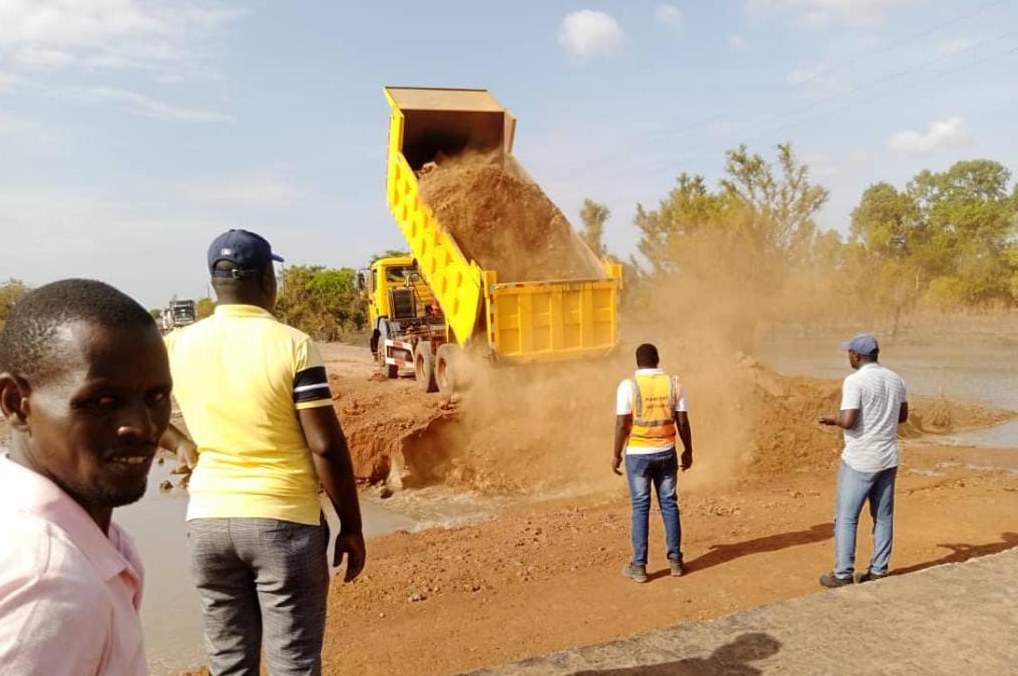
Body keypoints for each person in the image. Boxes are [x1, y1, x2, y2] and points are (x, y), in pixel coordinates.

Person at [160, 229, 365, 675]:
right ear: (267, 281)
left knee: (229, 665)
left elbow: (132, 411)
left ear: (216, 284)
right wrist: (351, 525)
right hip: (283, 521)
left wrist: (180, 443)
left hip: (207, 523)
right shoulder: (292, 343)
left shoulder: (176, 345)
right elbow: (325, 445)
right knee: (293, 662)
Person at [0, 279, 172, 674]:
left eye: (156, 397)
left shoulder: (86, 539)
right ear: (16, 405)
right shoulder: (50, 587)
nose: (142, 427)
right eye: (102, 401)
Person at [817, 333, 908, 588]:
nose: (848, 356)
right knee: (883, 516)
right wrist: (881, 419)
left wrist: (831, 419)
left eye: (849, 353)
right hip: (888, 459)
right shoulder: (896, 379)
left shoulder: (855, 382)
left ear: (856, 356)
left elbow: (848, 421)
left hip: (859, 459)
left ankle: (843, 574)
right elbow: (902, 416)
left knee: (846, 517)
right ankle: (878, 571)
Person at [613, 342, 694, 583]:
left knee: (640, 507)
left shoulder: (628, 386)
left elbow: (620, 424)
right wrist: (688, 449)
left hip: (637, 455)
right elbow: (683, 421)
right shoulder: (674, 383)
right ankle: (676, 561)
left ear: (637, 362)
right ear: (657, 359)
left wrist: (616, 454)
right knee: (669, 504)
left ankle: (639, 566)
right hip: (666, 452)